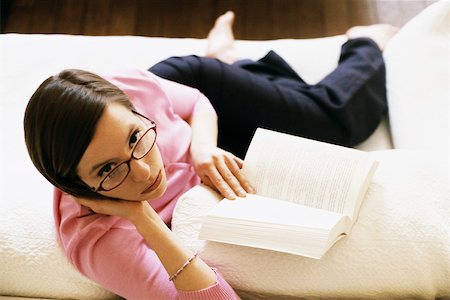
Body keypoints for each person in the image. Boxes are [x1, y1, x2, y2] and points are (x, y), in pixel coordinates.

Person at [23, 11, 398, 300]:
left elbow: (197, 101)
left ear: (135, 111)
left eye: (136, 137)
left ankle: (363, 40)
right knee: (283, 119)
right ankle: (235, 62)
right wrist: (141, 215)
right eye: (108, 169)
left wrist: (202, 150)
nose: (144, 172)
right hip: (202, 139)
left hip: (200, 98)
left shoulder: (130, 90)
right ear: (77, 188)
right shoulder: (99, 241)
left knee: (332, 121)